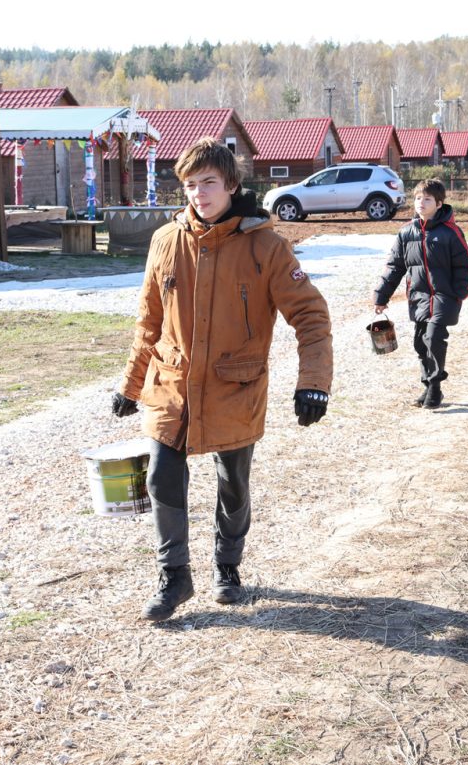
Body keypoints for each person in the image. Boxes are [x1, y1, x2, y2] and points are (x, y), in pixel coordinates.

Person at [111, 137, 333, 622]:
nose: (198, 194)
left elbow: (311, 318)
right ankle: (174, 577)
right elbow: (149, 321)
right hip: (172, 386)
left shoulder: (266, 248)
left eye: (208, 182)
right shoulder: (165, 242)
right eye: (190, 185)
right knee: (160, 478)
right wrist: (130, 385)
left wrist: (312, 382)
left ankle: (227, 566)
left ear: (231, 184)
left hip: (236, 387)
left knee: (233, 485)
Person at [372, 178, 468, 409]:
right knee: (420, 342)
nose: (421, 202)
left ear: (439, 204)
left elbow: (465, 265)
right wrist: (381, 297)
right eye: (418, 198)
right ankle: (427, 385)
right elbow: (394, 267)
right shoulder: (406, 233)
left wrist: (457, 294)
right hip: (418, 298)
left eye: (427, 199)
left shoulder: (451, 233)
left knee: (434, 337)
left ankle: (435, 388)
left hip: (444, 297)